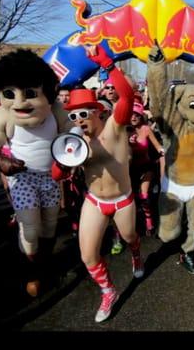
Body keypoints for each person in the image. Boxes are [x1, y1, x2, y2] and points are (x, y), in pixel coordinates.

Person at [51, 45, 142, 323]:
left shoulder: (115, 126)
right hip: (95, 201)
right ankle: (108, 291)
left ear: (97, 112)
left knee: (129, 238)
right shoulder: (74, 142)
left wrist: (106, 63)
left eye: (83, 114)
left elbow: (125, 95)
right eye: (73, 116)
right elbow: (56, 174)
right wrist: (63, 165)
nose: (78, 120)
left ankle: (137, 255)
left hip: (123, 199)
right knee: (88, 255)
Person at [0, 49, 70, 298]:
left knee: (50, 225)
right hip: (23, 178)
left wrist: (69, 158)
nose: (19, 102)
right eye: (10, 94)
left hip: (50, 177)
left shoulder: (56, 111)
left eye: (29, 94)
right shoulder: (0, 115)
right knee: (30, 228)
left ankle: (44, 264)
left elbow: (73, 135)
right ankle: (32, 273)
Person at [128, 102, 164, 236]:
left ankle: (149, 221)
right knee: (130, 198)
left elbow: (157, 146)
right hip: (130, 168)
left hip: (146, 167)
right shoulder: (125, 130)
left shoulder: (146, 129)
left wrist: (164, 151)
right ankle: (130, 225)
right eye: (131, 114)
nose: (133, 117)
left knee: (144, 195)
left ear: (141, 116)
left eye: (136, 114)